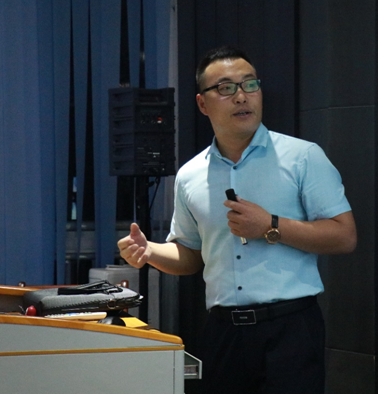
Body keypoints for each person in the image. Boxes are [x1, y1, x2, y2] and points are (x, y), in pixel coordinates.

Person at [117, 45, 357, 394]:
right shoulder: (190, 175)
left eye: (250, 84)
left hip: (290, 328)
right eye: (226, 88)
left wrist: (270, 225)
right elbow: (190, 255)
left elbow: (344, 236)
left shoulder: (302, 157)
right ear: (203, 104)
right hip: (223, 332)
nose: (242, 96)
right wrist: (150, 251)